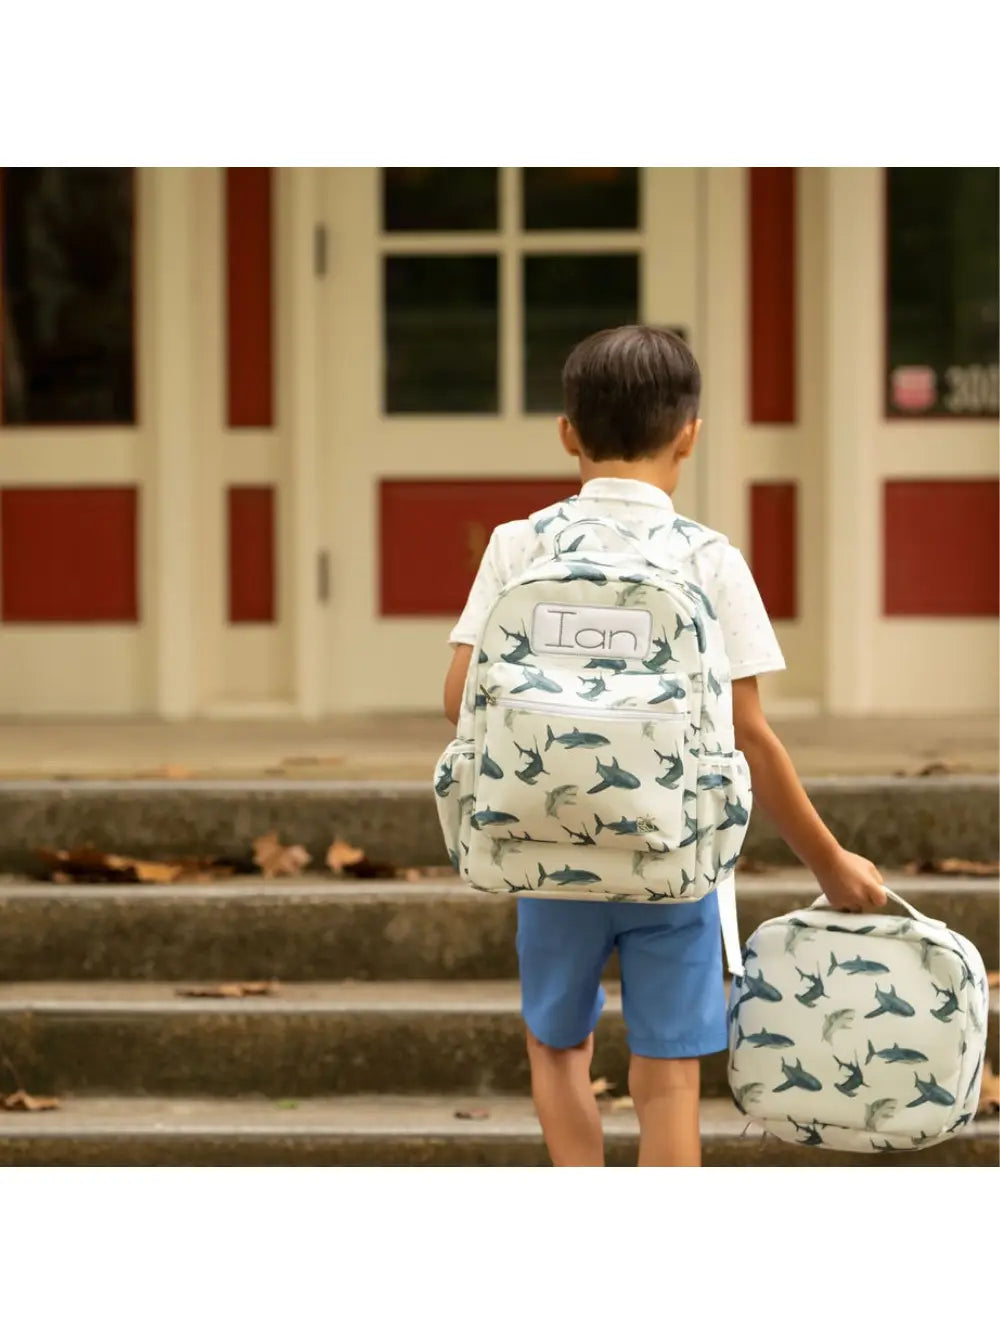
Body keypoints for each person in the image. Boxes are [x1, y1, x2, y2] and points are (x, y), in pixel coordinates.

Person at [442, 326, 887, 1168]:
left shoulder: (519, 546)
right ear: (690, 432)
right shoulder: (710, 559)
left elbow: (459, 697)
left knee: (556, 1047)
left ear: (568, 432)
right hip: (677, 858)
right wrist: (829, 862)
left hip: (546, 849)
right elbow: (749, 736)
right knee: (669, 1074)